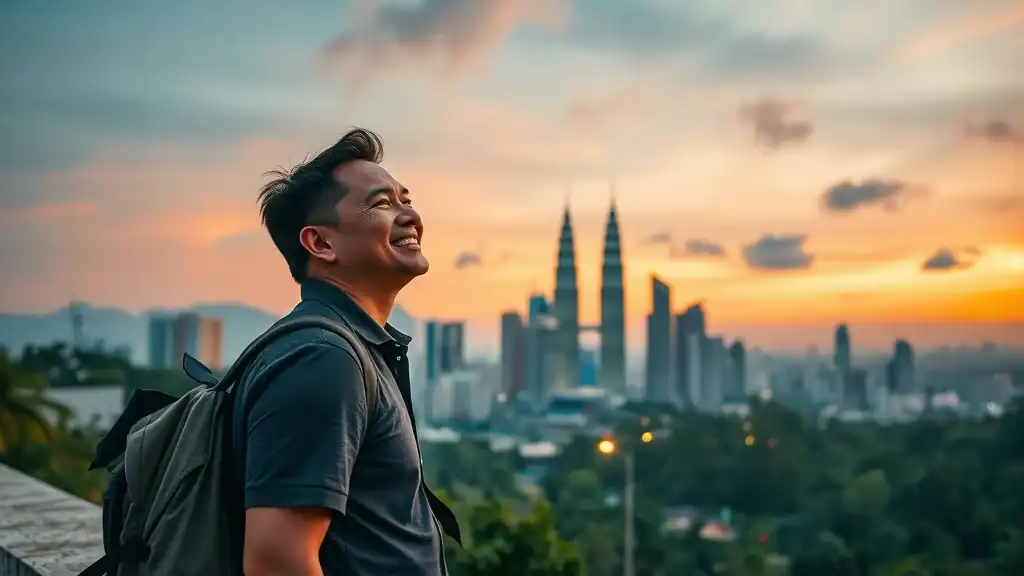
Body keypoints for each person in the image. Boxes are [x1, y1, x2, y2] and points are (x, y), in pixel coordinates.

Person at [235, 128, 459, 576]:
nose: (409, 214)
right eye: (381, 203)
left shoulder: (352, 348)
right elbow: (277, 560)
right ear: (321, 243)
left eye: (405, 198)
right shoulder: (323, 359)